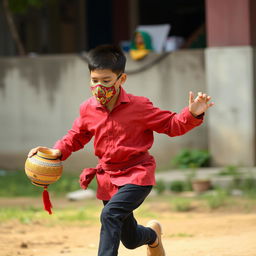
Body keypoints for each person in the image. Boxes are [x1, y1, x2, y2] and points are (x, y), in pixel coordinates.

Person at [28, 45, 214, 256]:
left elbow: (171, 125)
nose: (99, 86)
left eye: (106, 81)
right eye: (94, 80)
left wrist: (192, 114)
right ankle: (152, 236)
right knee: (130, 238)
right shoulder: (87, 108)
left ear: (121, 79)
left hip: (137, 175)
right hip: (108, 179)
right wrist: (56, 152)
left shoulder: (139, 106)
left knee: (110, 214)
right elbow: (76, 136)